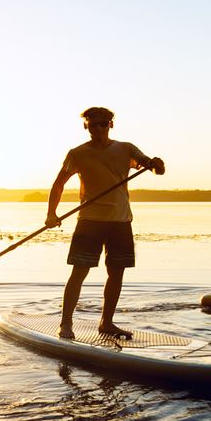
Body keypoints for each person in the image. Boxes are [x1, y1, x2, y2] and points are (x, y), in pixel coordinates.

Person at [46, 107, 164, 339]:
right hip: (90, 221)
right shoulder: (77, 154)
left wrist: (157, 164)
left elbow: (154, 168)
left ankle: (106, 323)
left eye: (103, 123)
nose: (98, 128)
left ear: (111, 125)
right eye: (93, 124)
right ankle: (66, 324)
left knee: (116, 273)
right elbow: (58, 184)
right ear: (86, 126)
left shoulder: (126, 149)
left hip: (120, 220)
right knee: (79, 273)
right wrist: (52, 213)